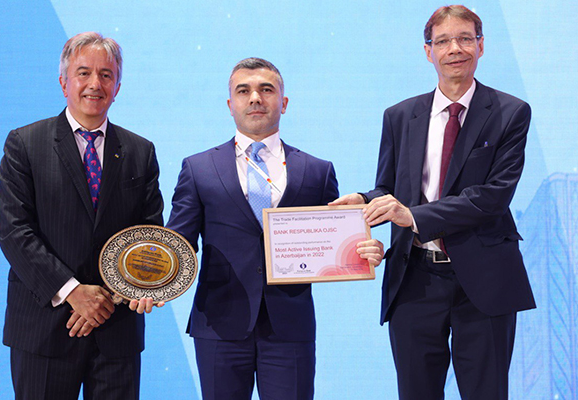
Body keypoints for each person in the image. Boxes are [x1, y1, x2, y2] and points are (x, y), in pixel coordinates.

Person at [331, 5, 535, 399]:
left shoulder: (511, 113)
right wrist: (364, 201)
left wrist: (411, 215)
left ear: (481, 46)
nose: (454, 48)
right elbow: (390, 188)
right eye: (443, 41)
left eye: (464, 39)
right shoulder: (399, 116)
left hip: (485, 279)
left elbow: (492, 197)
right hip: (414, 278)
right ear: (429, 52)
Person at [162, 57, 383, 399]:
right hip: (219, 324)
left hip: (290, 327)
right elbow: (178, 243)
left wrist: (364, 251)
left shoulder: (317, 171)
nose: (255, 98)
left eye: (266, 89)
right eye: (243, 91)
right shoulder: (198, 168)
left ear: (284, 102)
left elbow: (334, 237)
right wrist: (151, 279)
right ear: (230, 105)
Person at [0, 32, 164, 399]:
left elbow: (150, 234)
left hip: (116, 330)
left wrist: (126, 290)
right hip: (44, 328)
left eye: (106, 74)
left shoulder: (141, 151)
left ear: (117, 87)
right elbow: (14, 230)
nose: (94, 84)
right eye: (83, 72)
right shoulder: (25, 144)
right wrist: (72, 292)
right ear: (63, 82)